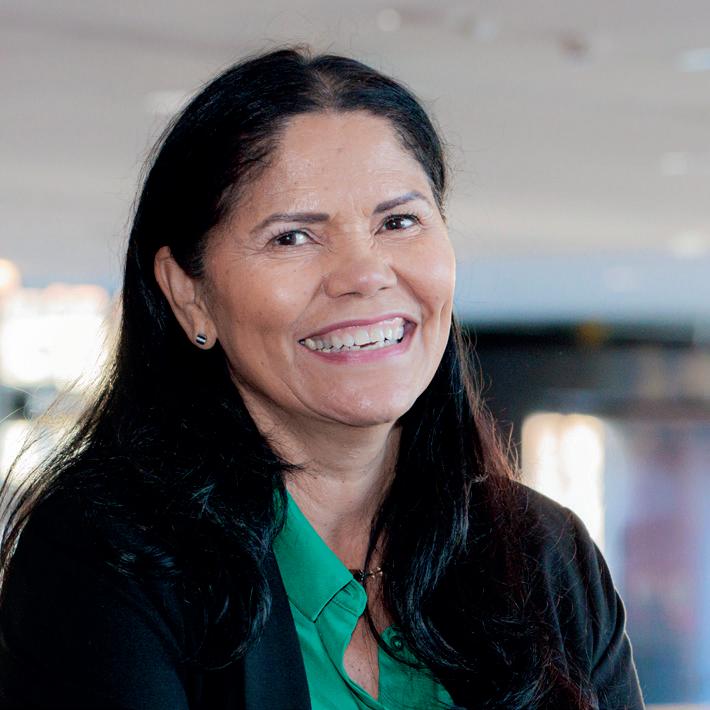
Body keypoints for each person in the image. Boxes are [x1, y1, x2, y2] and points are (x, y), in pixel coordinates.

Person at [0, 46, 645, 709]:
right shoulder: (105, 556)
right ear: (189, 294)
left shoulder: (544, 557)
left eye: (398, 221)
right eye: (293, 237)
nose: (364, 274)